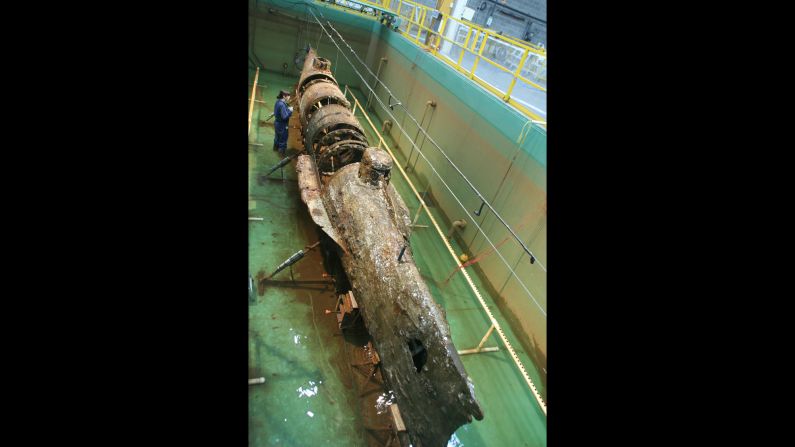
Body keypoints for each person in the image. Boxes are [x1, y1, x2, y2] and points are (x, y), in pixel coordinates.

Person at [273, 90, 293, 157]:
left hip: (277, 123)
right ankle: (281, 156)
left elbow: (277, 111)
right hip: (282, 125)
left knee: (277, 138)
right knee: (283, 140)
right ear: (284, 96)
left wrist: (287, 109)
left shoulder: (278, 102)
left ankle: (275, 149)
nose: (289, 97)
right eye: (288, 96)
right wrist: (290, 111)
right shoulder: (282, 105)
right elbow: (284, 117)